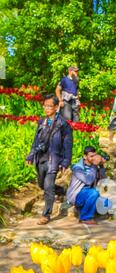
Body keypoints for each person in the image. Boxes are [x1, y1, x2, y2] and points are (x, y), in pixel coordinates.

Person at [26, 94, 73, 225]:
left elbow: (68, 145)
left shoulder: (63, 124)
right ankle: (62, 190)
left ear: (57, 107)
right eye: (45, 105)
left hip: (54, 159)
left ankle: (46, 214)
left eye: (49, 106)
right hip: (41, 158)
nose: (46, 108)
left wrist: (65, 162)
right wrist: (31, 155)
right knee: (42, 184)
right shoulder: (42, 122)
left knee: (48, 185)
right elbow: (36, 140)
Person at [66, 146, 111, 225]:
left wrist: (101, 165)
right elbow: (88, 181)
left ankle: (84, 208)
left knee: (107, 204)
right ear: (85, 156)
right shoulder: (78, 168)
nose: (94, 158)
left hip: (89, 194)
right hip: (77, 195)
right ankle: (85, 217)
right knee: (94, 193)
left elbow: (103, 180)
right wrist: (94, 166)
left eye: (95, 155)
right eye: (91, 156)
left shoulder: (94, 166)